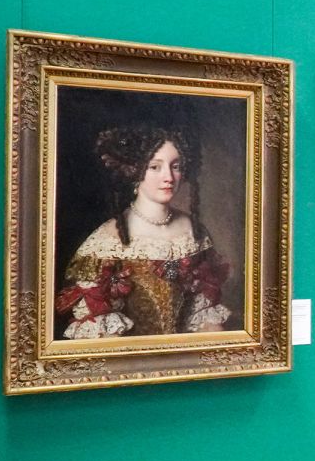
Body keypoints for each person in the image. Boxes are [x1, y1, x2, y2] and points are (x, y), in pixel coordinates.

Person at [56, 127, 231, 338]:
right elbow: (101, 333)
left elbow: (203, 312)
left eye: (175, 166)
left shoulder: (194, 231)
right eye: (155, 167)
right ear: (134, 170)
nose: (169, 177)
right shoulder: (108, 240)